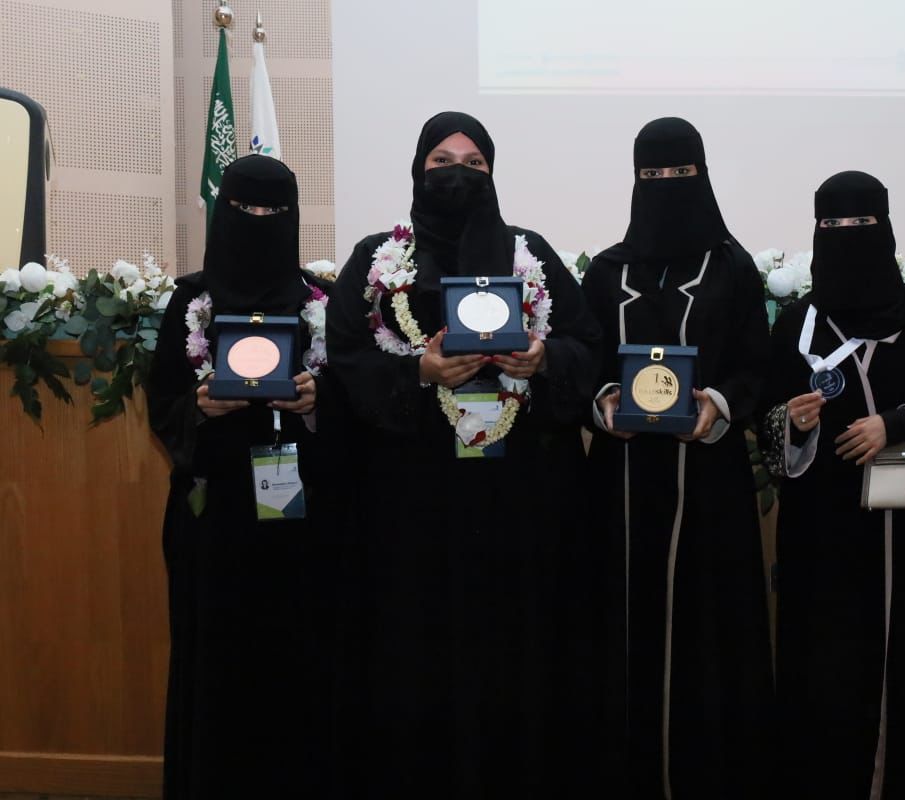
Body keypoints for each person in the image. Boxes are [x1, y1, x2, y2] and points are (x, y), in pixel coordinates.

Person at [324, 111, 602, 797]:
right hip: (408, 507)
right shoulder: (376, 260)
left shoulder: (531, 254)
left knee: (513, 646)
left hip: (519, 506)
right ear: (418, 170)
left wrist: (542, 360)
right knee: (413, 648)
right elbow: (345, 361)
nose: (458, 174)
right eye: (442, 162)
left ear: (493, 174)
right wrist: (418, 372)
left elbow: (588, 345)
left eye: (474, 164)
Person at [758, 170, 905, 799]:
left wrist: (896, 423)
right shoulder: (798, 323)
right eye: (832, 225)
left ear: (884, 229)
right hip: (824, 538)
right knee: (828, 669)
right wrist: (793, 422)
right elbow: (770, 434)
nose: (847, 236)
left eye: (860, 224)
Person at [581, 117, 775, 799]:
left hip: (709, 485)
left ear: (703, 175)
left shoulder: (732, 267)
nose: (666, 186)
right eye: (652, 175)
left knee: (707, 632)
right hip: (622, 484)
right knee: (621, 629)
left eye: (680, 173)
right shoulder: (607, 272)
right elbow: (584, 360)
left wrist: (718, 404)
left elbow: (757, 363)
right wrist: (603, 401)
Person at [147, 154, 336, 798]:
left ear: (294, 217)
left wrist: (315, 404)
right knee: (215, 665)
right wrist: (198, 408)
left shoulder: (320, 302)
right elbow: (161, 403)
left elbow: (354, 408)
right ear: (222, 212)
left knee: (301, 665)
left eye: (273, 211)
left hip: (303, 527)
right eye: (244, 209)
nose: (258, 221)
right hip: (214, 520)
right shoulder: (190, 301)